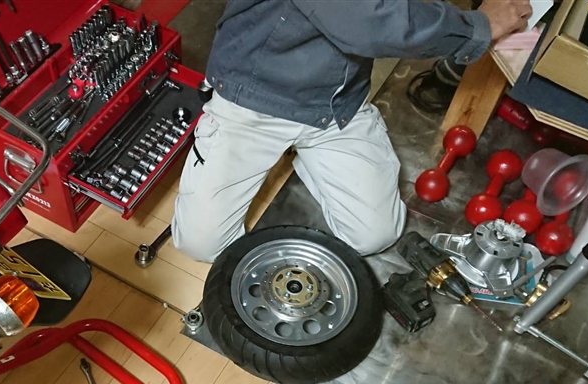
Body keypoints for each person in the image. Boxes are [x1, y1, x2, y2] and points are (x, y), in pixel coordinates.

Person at [172, 0, 534, 263]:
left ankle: (307, 154)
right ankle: (287, 151)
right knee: (201, 244)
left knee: (375, 234)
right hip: (253, 96)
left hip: (334, 102)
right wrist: (476, 27)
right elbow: (371, 22)